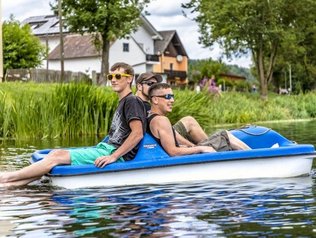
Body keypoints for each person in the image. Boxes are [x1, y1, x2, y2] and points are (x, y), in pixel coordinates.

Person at [0, 62, 147, 187]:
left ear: (130, 79)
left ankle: (6, 177)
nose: (113, 80)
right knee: (54, 154)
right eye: (111, 77)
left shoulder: (131, 101)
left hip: (113, 153)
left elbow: (137, 133)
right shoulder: (123, 102)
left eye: (118, 76)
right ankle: (9, 186)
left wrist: (114, 156)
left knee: (57, 155)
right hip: (105, 149)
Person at [147, 83, 250, 156]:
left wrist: (190, 146)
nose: (172, 100)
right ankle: (253, 158)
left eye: (172, 96)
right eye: (168, 97)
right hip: (187, 158)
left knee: (222, 136)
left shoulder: (153, 117)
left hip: (188, 150)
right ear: (155, 99)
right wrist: (200, 148)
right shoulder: (161, 120)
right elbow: (173, 152)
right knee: (226, 135)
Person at [135, 72, 208, 146]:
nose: (154, 87)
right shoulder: (135, 104)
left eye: (156, 84)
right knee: (190, 122)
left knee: (189, 120)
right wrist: (193, 147)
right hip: (159, 136)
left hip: (161, 133)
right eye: (150, 84)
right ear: (139, 86)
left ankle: (207, 148)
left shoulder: (145, 104)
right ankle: (210, 150)